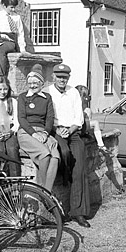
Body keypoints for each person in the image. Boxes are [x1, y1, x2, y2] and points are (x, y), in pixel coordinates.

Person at [47, 63, 91, 228]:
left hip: (73, 132)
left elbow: (78, 117)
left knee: (79, 167)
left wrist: (71, 130)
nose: (61, 80)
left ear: (68, 78)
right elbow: (47, 116)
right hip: (55, 131)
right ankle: (59, 208)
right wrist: (57, 130)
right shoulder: (48, 92)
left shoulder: (73, 92)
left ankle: (78, 212)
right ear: (53, 77)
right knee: (63, 153)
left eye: (64, 77)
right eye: (59, 77)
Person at [17, 64, 60, 192]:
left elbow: (49, 118)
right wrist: (34, 134)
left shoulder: (47, 98)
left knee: (55, 157)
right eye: (30, 83)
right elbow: (22, 119)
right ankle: (41, 190)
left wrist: (46, 133)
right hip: (26, 132)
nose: (32, 85)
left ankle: (47, 193)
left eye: (35, 82)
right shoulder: (22, 97)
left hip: (43, 132)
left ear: (41, 83)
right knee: (45, 154)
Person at [75, 85, 112, 155]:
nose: (87, 98)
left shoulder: (83, 105)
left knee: (88, 112)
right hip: (78, 126)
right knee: (95, 123)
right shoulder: (77, 104)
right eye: (85, 96)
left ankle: (91, 136)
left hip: (82, 125)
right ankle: (100, 144)